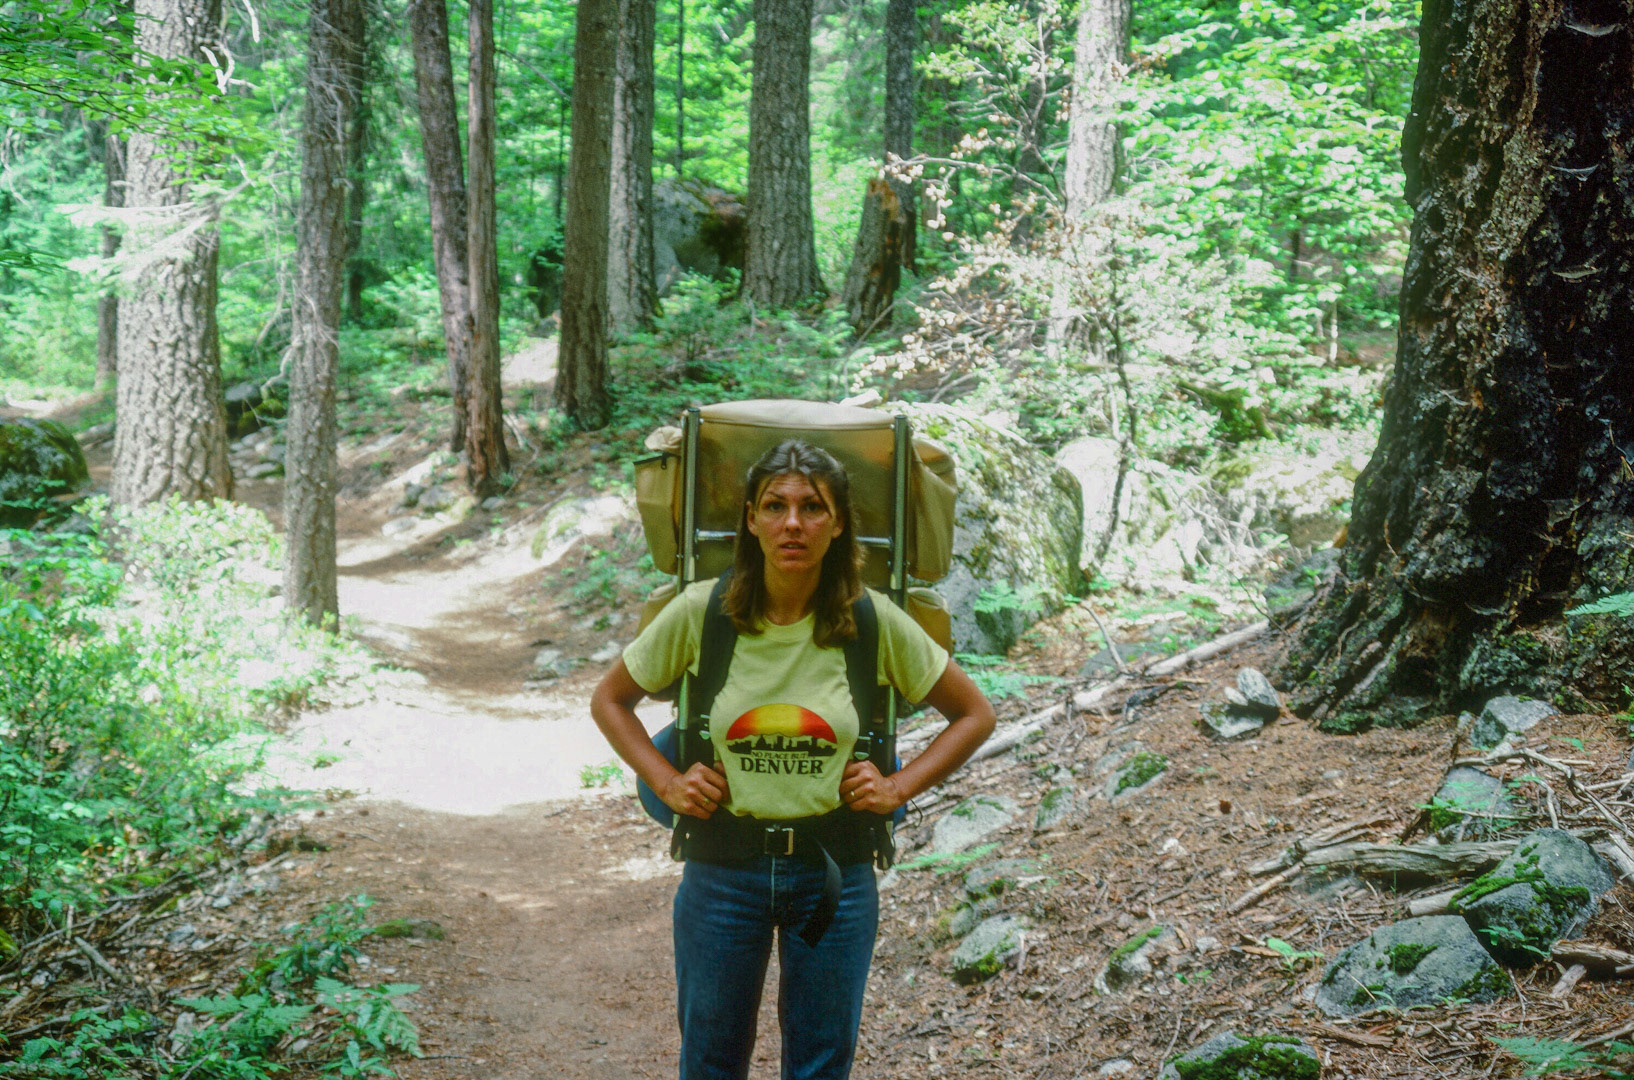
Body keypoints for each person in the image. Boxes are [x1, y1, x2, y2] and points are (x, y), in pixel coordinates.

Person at [591, 438, 996, 1080]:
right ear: (751, 519)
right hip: (723, 870)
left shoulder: (871, 620)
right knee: (711, 1062)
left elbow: (974, 714)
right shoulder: (705, 612)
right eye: (775, 506)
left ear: (837, 525)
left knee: (819, 1066)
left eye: (812, 507)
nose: (793, 523)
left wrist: (897, 788)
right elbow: (610, 699)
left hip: (834, 871)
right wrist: (666, 782)